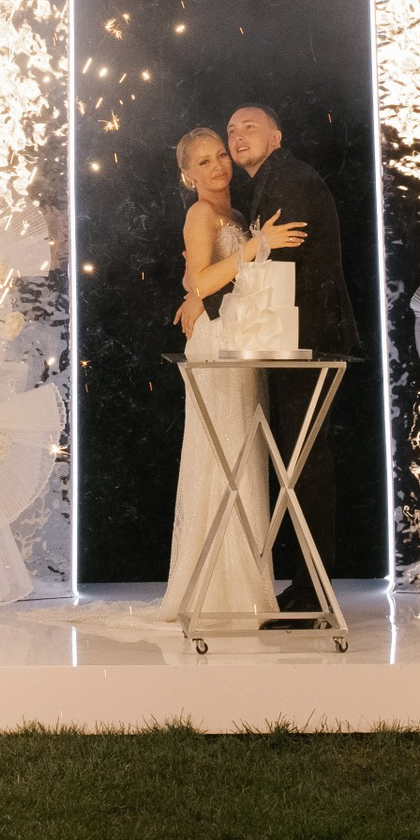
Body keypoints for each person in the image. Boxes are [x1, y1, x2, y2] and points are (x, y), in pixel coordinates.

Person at [210, 103, 359, 619]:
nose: (237, 135)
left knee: (305, 465)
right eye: (231, 130)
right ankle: (305, 587)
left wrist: (217, 299)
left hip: (307, 339)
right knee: (298, 463)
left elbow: (281, 264)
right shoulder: (272, 180)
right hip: (292, 338)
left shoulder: (289, 178)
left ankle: (314, 593)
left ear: (277, 135)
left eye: (249, 126)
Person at [164, 128, 303, 627]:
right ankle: (213, 586)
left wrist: (196, 288)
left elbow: (198, 278)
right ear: (188, 176)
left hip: (238, 336)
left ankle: (242, 580)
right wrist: (256, 247)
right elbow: (203, 279)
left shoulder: (236, 217)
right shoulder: (200, 213)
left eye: (220, 154)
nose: (219, 165)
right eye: (203, 162)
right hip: (215, 343)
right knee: (219, 454)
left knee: (242, 455)